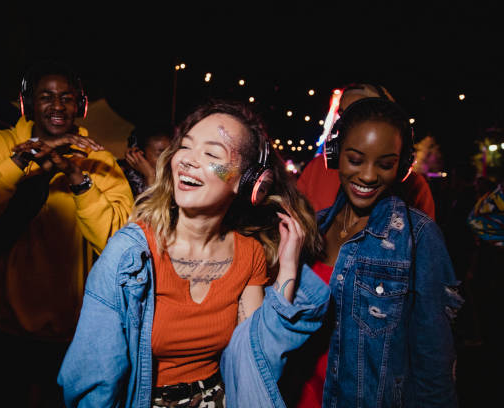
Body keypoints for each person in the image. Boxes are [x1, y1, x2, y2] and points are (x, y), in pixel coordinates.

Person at [57, 99, 331, 407]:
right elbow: (93, 378)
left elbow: (255, 357)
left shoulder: (249, 253)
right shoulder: (130, 253)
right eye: (185, 147)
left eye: (212, 154)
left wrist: (289, 270)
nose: (187, 160)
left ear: (250, 183)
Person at [0, 60, 134, 407]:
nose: (58, 106)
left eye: (67, 98)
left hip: (67, 331)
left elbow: (118, 241)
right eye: (46, 97)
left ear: (81, 105)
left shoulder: (99, 159)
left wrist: (78, 179)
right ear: (28, 103)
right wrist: (19, 163)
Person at [282, 97, 463, 407]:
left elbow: (434, 365)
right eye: (355, 159)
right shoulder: (314, 228)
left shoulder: (418, 238)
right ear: (335, 155)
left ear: (403, 167)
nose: (367, 175)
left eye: (385, 164)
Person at [296, 83, 436, 220]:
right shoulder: (315, 168)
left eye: (361, 114)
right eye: (343, 115)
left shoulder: (416, 187)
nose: (348, 124)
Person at [117, 122, 173, 198]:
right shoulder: (120, 177)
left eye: (171, 153)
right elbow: (150, 208)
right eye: (161, 155)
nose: (169, 159)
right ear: (139, 155)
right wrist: (150, 176)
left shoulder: (173, 179)